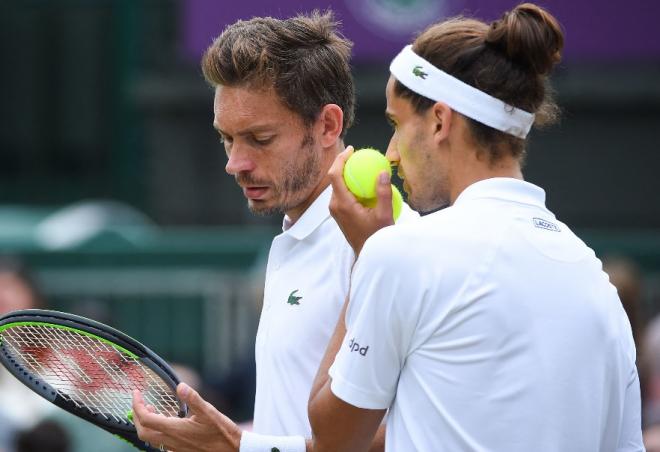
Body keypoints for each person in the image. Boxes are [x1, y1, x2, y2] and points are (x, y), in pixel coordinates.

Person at [306, 3, 643, 451]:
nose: (389, 153)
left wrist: (366, 255)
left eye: (397, 124)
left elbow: (333, 440)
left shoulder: (398, 254)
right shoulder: (596, 281)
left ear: (440, 121)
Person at [133, 10, 414, 452]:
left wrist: (236, 446)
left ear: (327, 126)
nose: (234, 163)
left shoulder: (391, 242)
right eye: (227, 139)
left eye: (259, 139)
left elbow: (417, 433)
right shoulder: (294, 232)